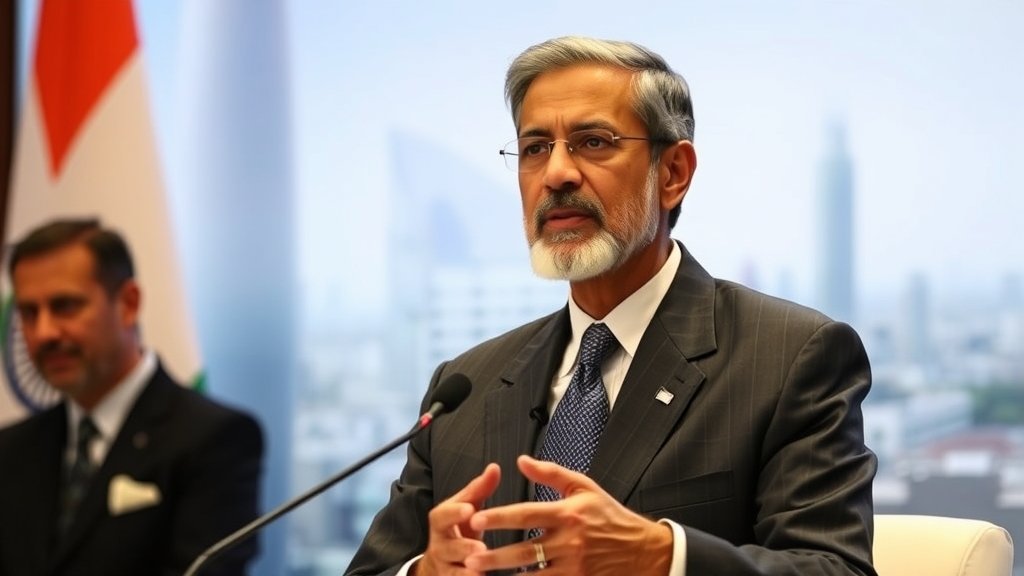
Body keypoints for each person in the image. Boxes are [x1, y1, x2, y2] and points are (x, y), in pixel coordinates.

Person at [345, 36, 877, 576]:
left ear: (672, 173)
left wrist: (662, 555)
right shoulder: (464, 388)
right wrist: (425, 572)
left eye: (593, 142)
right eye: (534, 149)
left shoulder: (789, 357)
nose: (556, 173)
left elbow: (836, 568)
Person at [0, 218, 264, 575]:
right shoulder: (11, 449)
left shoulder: (214, 439)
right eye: (29, 313)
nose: (44, 332)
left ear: (128, 303)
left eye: (65, 306)